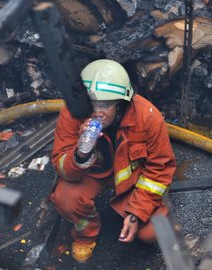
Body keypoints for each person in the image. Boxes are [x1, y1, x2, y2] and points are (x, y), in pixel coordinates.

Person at [50, 59, 176, 263]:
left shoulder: (148, 117)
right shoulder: (71, 114)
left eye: (105, 104)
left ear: (121, 103)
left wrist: (136, 213)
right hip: (95, 174)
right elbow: (63, 169)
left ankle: (150, 213)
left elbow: (159, 171)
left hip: (133, 179)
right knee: (65, 197)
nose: (96, 112)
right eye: (90, 104)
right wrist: (81, 153)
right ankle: (86, 234)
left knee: (151, 233)